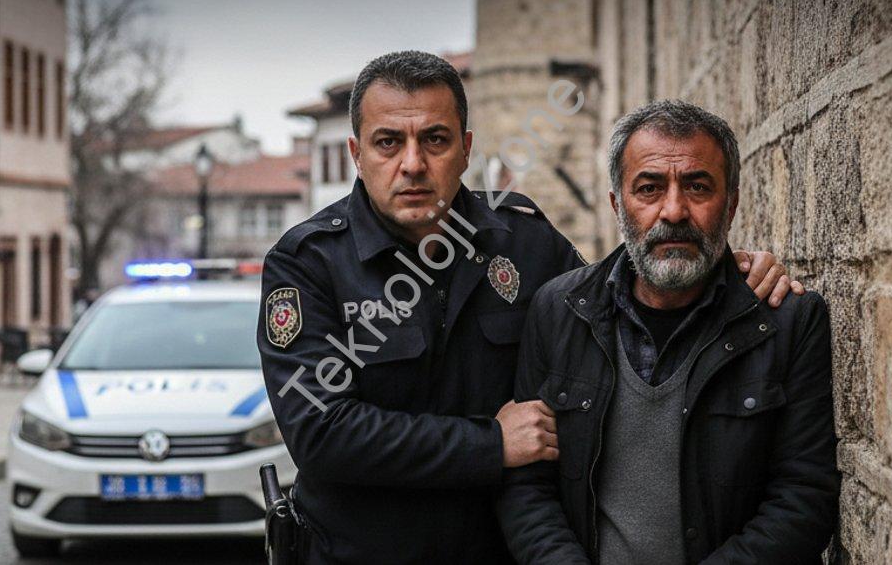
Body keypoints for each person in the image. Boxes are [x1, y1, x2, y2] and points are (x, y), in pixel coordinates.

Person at [258, 52, 802, 564]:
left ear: (467, 148)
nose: (413, 163)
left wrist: (731, 272)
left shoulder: (526, 245)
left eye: (436, 139)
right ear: (357, 154)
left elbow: (632, 296)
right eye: (387, 142)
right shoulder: (308, 264)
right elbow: (319, 433)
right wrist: (491, 444)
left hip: (505, 550)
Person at [497, 100, 840, 564]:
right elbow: (528, 489)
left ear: (732, 202)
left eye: (698, 186)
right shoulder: (558, 312)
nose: (674, 210)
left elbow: (804, 498)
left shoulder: (787, 321)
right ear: (618, 204)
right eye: (649, 188)